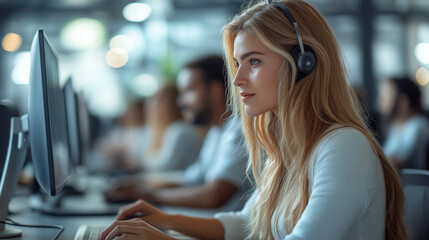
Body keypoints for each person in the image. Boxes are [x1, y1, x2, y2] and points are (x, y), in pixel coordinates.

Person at [100, 1, 407, 239]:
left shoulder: (343, 146)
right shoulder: (289, 147)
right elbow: (249, 224)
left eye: (254, 62)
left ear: (304, 64)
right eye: (237, 64)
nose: (237, 80)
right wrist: (165, 219)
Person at [105, 55, 250, 211]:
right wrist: (142, 184)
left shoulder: (238, 130)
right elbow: (190, 179)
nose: (180, 101)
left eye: (189, 91)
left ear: (215, 91)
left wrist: (150, 195)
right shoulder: (216, 132)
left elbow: (214, 195)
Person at [135, 84, 203, 172]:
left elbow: (164, 168)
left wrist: (138, 162)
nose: (152, 104)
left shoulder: (180, 130)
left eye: (159, 99)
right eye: (152, 99)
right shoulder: (155, 132)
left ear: (173, 103)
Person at [377, 76, 429, 170]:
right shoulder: (395, 127)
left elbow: (396, 162)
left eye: (386, 96)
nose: (380, 102)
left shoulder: (418, 125)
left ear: (403, 102)